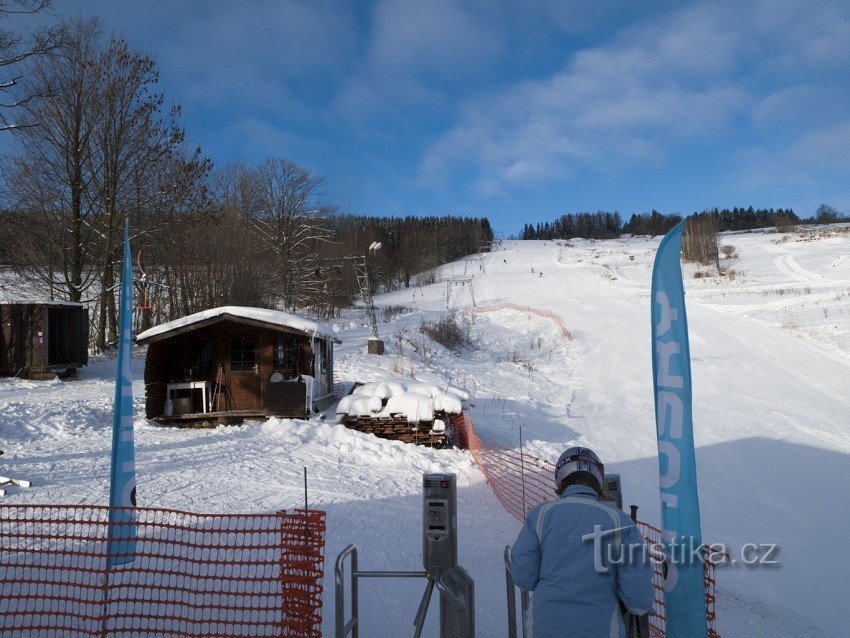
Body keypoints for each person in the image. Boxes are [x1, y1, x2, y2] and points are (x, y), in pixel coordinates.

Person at [510, 446, 654, 637]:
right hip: (602, 629)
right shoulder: (621, 523)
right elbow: (639, 599)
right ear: (598, 480)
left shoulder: (540, 516)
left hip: (545, 628)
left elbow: (523, 577)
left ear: (561, 478)